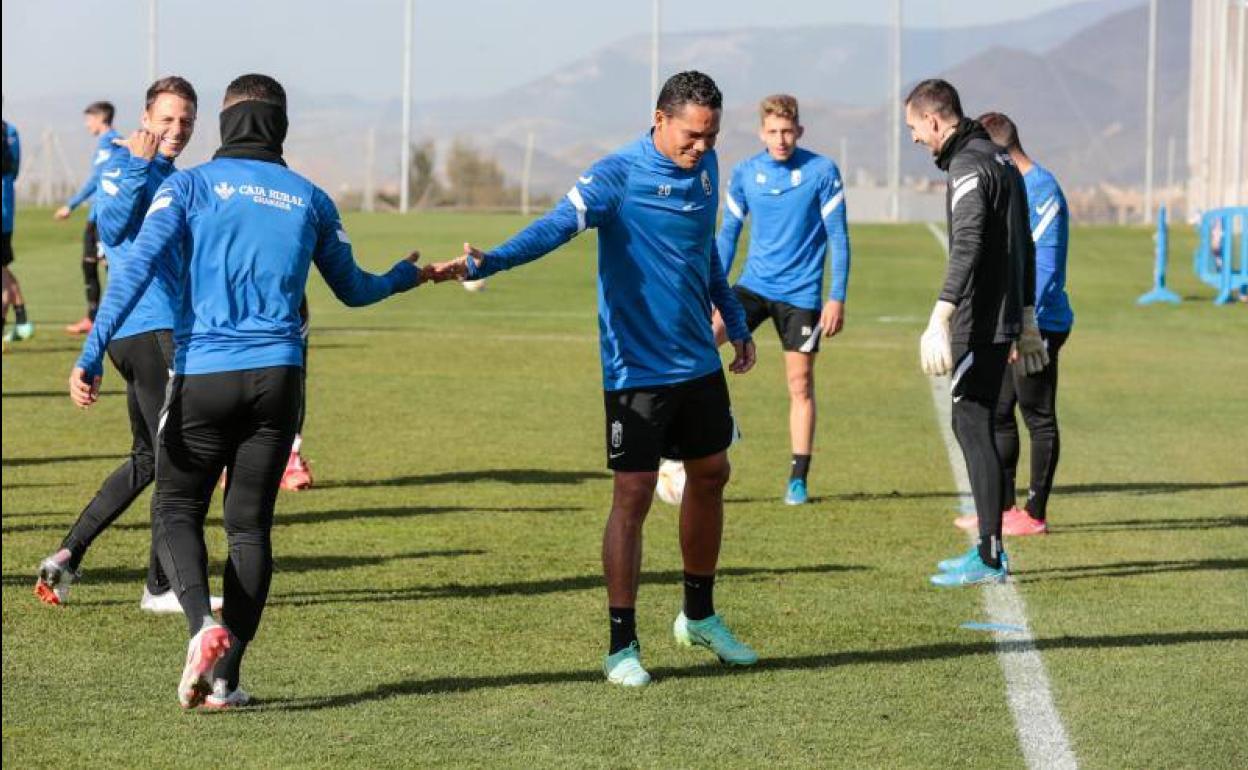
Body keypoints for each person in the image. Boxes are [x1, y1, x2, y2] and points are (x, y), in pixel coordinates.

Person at [69, 74, 426, 709]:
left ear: (227, 124)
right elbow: (355, 289)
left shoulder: (188, 186)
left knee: (177, 509)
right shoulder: (310, 198)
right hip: (279, 383)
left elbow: (135, 267)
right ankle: (226, 680)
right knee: (250, 528)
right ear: (280, 127)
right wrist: (407, 275)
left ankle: (202, 628)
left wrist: (92, 353)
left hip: (205, 373)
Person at [427, 71, 759, 687]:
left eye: (711, 136)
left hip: (697, 360)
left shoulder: (709, 172)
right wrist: (490, 261)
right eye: (692, 135)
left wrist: (735, 320)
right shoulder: (615, 175)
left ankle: (699, 616)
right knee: (633, 495)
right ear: (659, 118)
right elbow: (554, 228)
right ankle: (621, 645)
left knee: (713, 474)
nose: (701, 148)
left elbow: (704, 250)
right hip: (636, 367)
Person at [36, 77, 222, 614]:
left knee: (148, 458)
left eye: (186, 120)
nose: (177, 129)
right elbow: (111, 225)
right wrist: (139, 166)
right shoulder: (123, 163)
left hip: (137, 332)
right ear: (145, 118)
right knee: (181, 463)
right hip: (149, 332)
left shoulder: (174, 175)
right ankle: (161, 587)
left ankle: (67, 556)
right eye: (167, 119)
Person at [903, 79, 1046, 587]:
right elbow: (1025, 246)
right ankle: (989, 548)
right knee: (978, 421)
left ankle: (988, 554)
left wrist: (941, 316)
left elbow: (967, 245)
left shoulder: (967, 165)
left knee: (971, 423)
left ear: (935, 120)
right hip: (1003, 318)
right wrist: (1025, 317)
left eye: (915, 128)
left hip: (977, 321)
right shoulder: (1001, 160)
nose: (916, 139)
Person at [713, 93, 851, 505]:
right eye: (773, 132)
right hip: (753, 286)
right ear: (761, 133)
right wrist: (713, 292)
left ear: (799, 130)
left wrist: (836, 296)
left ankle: (798, 479)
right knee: (702, 340)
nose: (781, 139)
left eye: (787, 131)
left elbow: (839, 238)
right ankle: (696, 436)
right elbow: (727, 236)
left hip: (801, 295)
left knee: (800, 384)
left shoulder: (822, 171)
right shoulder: (744, 174)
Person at [962, 111, 1073, 536]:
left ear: (1002, 152)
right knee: (998, 411)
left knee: (1037, 415)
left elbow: (1043, 270)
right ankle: (1003, 508)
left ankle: (1035, 513)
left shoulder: (1041, 189)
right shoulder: (1011, 184)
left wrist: (1026, 329)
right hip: (1015, 321)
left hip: (1039, 325)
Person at [55, 101, 120, 335]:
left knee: (110, 265)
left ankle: (115, 317)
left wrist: (70, 205)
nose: (86, 124)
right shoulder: (111, 142)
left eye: (89, 119)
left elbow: (97, 180)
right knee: (90, 263)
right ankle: (94, 317)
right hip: (98, 214)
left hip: (105, 215)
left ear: (100, 118)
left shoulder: (109, 142)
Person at [3, 114, 34, 345]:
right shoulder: (11, 130)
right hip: (6, 208)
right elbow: (14, 171)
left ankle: (22, 321)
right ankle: (22, 319)